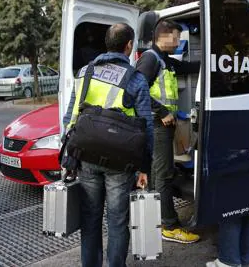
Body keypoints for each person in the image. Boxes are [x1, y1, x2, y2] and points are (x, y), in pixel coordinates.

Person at [62, 23, 154, 267]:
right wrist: (145, 166)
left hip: (87, 155)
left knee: (90, 218)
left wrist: (70, 154)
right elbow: (146, 127)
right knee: (117, 220)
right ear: (128, 45)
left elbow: (70, 116)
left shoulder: (84, 72)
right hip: (120, 162)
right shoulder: (135, 79)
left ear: (107, 44)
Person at [135, 20, 200, 244]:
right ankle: (169, 226)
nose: (179, 42)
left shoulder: (165, 61)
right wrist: (161, 111)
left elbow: (189, 67)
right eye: (177, 37)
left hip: (164, 126)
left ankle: (155, 219)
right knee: (163, 175)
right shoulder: (150, 59)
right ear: (164, 36)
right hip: (156, 125)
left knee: (157, 174)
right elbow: (136, 89)